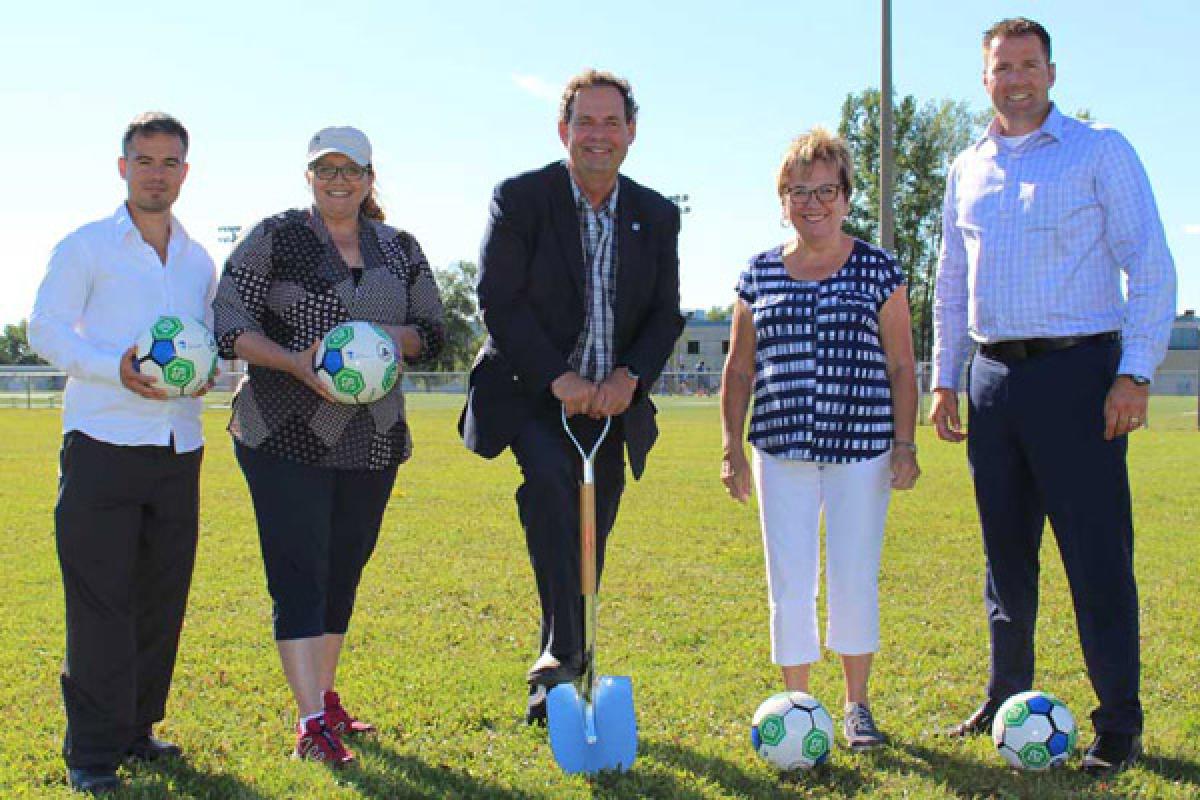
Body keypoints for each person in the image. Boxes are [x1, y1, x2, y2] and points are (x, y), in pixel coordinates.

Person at [930, 18, 1177, 775]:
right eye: (1002, 68)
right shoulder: (965, 167)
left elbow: (1152, 265)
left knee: (1096, 557)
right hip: (994, 383)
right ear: (985, 79)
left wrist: (1134, 373)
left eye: (1029, 65)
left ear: (1052, 72)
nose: (1017, 79)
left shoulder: (1100, 151)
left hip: (1080, 378)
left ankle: (1120, 722)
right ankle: (1008, 696)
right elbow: (950, 282)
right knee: (1006, 560)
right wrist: (946, 376)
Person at [212, 126, 444, 765]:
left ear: (371, 178)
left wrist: (379, 341)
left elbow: (433, 331)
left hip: (371, 439)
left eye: (351, 169)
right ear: (308, 176)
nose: (338, 180)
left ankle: (326, 695)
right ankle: (310, 721)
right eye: (325, 169)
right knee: (299, 572)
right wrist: (294, 361)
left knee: (343, 567)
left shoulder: (398, 249)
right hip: (281, 432)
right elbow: (229, 324)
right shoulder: (275, 238)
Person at [459, 69, 684, 724]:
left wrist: (627, 377)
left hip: (612, 404)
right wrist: (560, 380)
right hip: (532, 392)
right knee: (554, 486)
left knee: (592, 523)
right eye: (585, 121)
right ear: (564, 130)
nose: (598, 135)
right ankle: (563, 652)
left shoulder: (657, 214)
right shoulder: (521, 199)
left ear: (631, 133)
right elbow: (498, 300)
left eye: (612, 122)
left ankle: (561, 659)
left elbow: (666, 316)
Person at [29, 112, 216, 795]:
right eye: (144, 160)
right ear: (122, 167)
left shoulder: (199, 260)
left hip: (178, 447)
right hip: (101, 445)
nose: (156, 173)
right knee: (100, 603)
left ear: (184, 173)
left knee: (160, 599)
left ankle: (137, 729)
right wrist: (116, 366)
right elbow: (43, 328)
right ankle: (92, 753)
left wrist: (206, 374)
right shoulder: (86, 247)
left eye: (169, 162)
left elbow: (204, 348)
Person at [720, 127, 919, 751]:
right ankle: (798, 702)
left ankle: (857, 706)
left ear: (845, 195)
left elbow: (902, 366)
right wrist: (731, 446)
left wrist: (906, 445)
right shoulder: (758, 271)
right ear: (783, 200)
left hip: (862, 448)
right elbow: (739, 367)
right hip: (779, 450)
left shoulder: (878, 268)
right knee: (790, 580)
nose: (813, 203)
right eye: (799, 191)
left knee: (854, 575)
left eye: (825, 190)